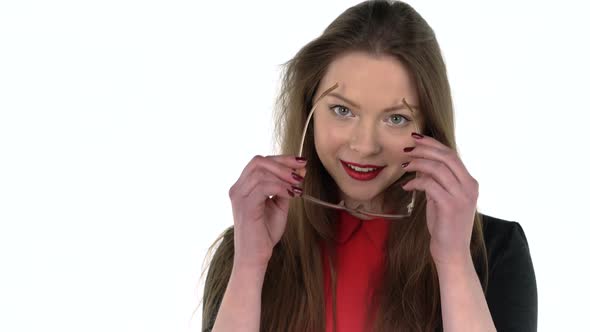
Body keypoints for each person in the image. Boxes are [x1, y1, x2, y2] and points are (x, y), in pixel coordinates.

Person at [200, 0, 537, 331]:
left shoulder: (495, 252)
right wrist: (248, 266)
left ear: (429, 129)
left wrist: (454, 263)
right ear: (309, 111)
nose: (364, 146)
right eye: (342, 110)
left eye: (396, 118)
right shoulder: (246, 248)